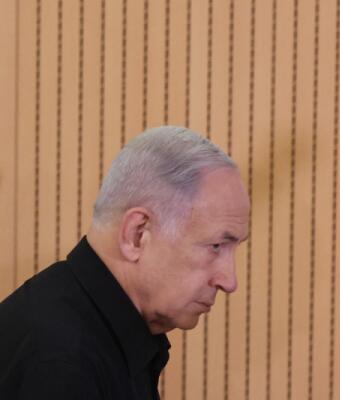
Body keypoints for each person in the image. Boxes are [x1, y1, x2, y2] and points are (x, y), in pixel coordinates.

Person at [0, 126, 250, 399]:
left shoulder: (86, 329)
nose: (229, 281)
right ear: (137, 235)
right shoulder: (61, 362)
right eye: (216, 246)